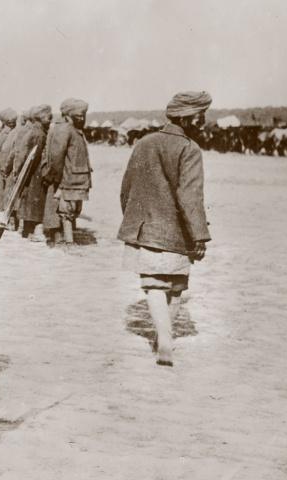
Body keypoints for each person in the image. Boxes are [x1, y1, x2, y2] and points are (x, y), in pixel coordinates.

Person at [118, 91, 212, 367]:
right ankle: (165, 340)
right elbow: (190, 197)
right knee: (176, 286)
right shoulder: (190, 149)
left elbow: (127, 188)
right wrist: (200, 235)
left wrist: (135, 220)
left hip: (146, 227)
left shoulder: (144, 142)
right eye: (201, 115)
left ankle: (164, 339)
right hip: (177, 232)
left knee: (153, 285)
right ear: (190, 118)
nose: (204, 121)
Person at [42, 98, 91, 245]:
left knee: (73, 209)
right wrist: (53, 177)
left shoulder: (75, 130)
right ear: (68, 114)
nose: (81, 119)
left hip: (77, 178)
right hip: (67, 178)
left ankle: (66, 239)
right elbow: (56, 157)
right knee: (66, 211)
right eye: (78, 116)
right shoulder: (64, 129)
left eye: (83, 115)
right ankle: (68, 241)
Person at [17, 105, 52, 241]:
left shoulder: (33, 131)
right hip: (35, 173)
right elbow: (34, 155)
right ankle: (36, 232)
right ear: (40, 117)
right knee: (36, 202)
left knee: (30, 202)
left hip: (30, 173)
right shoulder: (39, 134)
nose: (49, 120)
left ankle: (27, 230)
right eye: (48, 117)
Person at [0, 109, 29, 230]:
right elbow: (7, 152)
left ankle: (14, 223)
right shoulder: (16, 133)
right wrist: (5, 168)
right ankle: (13, 222)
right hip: (15, 169)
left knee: (15, 196)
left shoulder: (18, 132)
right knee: (14, 196)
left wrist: (5, 168)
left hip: (16, 169)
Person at [0, 107, 17, 212]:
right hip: (5, 170)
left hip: (9, 168)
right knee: (3, 194)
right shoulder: (2, 135)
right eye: (9, 122)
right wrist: (2, 167)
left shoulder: (15, 132)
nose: (11, 123)